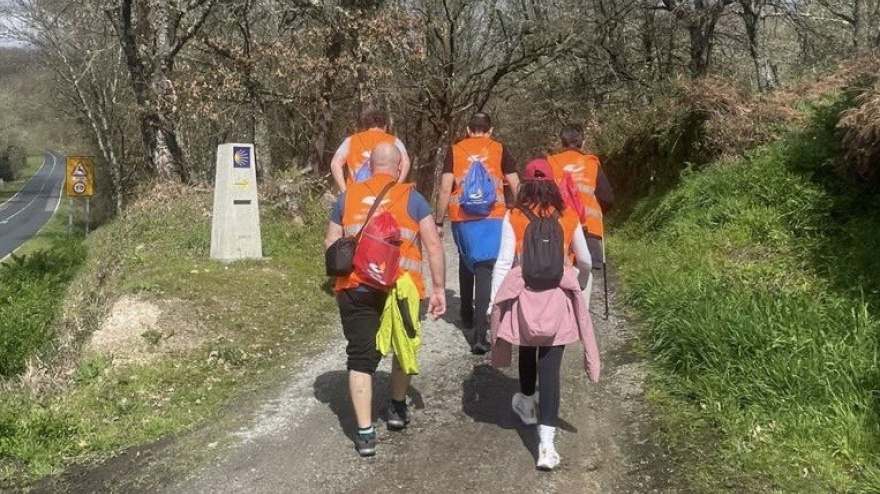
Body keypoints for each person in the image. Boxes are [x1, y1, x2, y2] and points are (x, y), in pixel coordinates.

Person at [324, 142, 446, 457]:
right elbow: (433, 245)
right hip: (401, 289)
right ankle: (396, 408)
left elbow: (331, 241)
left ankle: (365, 435)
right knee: (402, 347)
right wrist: (440, 289)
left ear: (369, 164)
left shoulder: (347, 196)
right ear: (398, 166)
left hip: (355, 287)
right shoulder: (413, 198)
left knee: (360, 358)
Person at [488, 159, 601, 471]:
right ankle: (547, 446)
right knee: (550, 368)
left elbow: (502, 262)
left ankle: (526, 402)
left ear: (524, 184)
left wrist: (493, 305)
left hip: (524, 295)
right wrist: (574, 285)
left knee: (527, 345)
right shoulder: (568, 215)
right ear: (552, 184)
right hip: (556, 296)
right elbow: (587, 261)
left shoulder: (513, 216)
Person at [434, 112, 520, 354]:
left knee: (466, 257)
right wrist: (521, 211)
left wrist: (438, 221)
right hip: (493, 215)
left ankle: (467, 315)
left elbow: (444, 188)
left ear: (469, 130)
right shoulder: (500, 149)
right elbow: (515, 184)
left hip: (462, 216)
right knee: (485, 267)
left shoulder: (455, 150)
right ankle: (481, 335)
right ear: (490, 130)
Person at [546, 124, 614, 305]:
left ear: (561, 142)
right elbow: (607, 197)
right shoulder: (592, 163)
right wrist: (598, 213)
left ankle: (562, 308)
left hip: (557, 227)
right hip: (588, 226)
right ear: (582, 142)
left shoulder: (550, 162)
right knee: (585, 267)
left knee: (560, 266)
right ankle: (581, 311)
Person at [330, 108, 412, 192]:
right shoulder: (394, 141)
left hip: (355, 195)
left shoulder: (351, 140)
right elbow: (406, 163)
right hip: (386, 195)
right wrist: (398, 185)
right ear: (385, 126)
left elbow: (335, 163)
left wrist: (344, 190)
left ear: (366, 125)